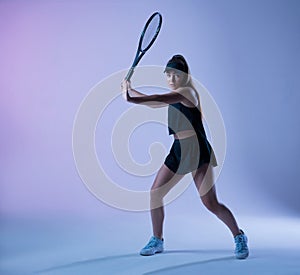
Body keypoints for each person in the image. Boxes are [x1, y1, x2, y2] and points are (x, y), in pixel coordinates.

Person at [121, 54, 249, 259]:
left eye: (176, 75)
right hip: (178, 149)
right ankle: (157, 239)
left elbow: (160, 98)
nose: (171, 79)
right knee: (155, 193)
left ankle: (239, 236)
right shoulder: (174, 94)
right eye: (168, 74)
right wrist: (129, 89)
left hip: (197, 150)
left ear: (185, 76)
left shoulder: (188, 92)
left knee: (211, 203)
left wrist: (131, 98)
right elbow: (155, 103)